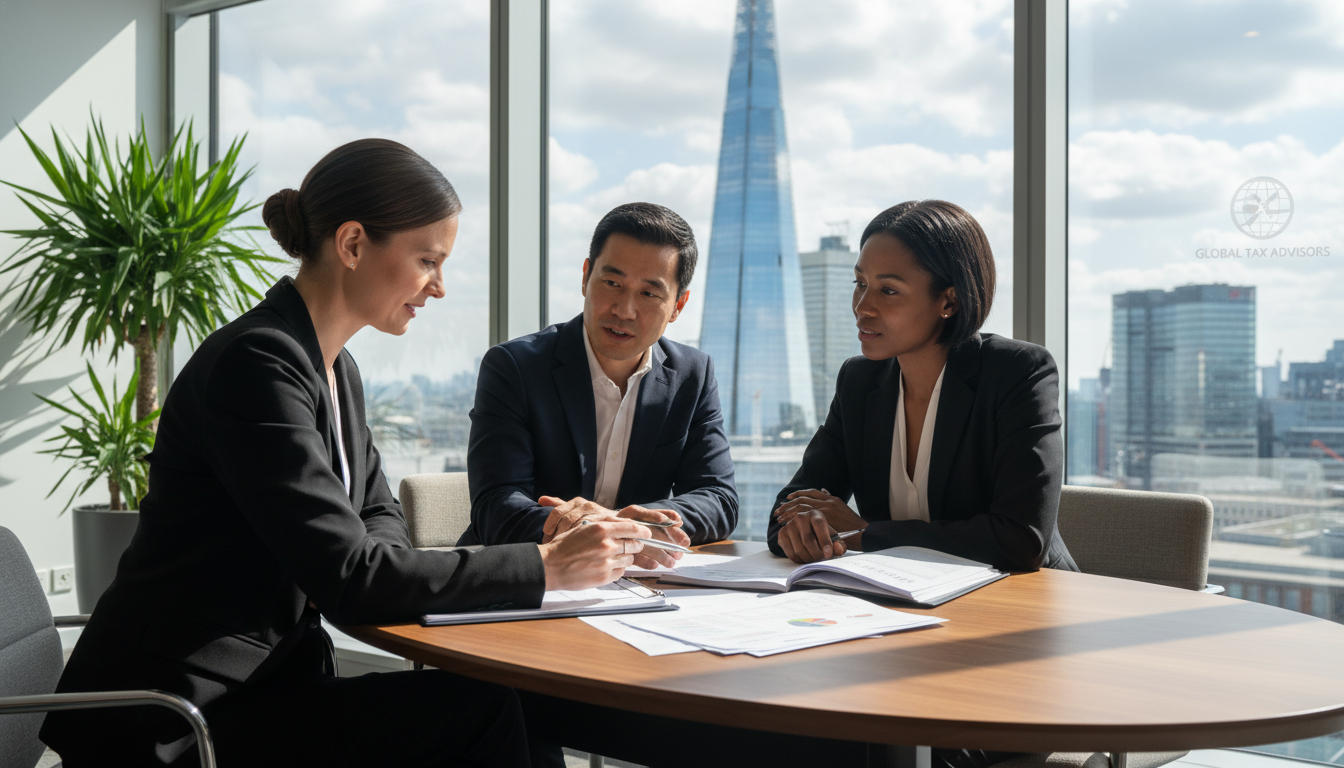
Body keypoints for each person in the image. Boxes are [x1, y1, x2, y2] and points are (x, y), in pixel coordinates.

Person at [40, 139, 654, 768]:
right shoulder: (257, 364)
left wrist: (371, 555)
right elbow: (352, 576)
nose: (439, 287)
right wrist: (548, 564)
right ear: (354, 244)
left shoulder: (335, 369)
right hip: (175, 716)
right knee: (484, 710)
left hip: (265, 685)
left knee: (497, 704)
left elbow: (377, 515)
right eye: (427, 260)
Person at [769, 200, 1077, 573]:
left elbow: (1020, 541)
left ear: (949, 300)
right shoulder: (859, 381)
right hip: (900, 598)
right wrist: (801, 529)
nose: (862, 307)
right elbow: (789, 510)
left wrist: (867, 533)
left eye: (889, 291)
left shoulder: (1017, 372)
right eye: (860, 284)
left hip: (1024, 604)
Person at [459, 202, 738, 569]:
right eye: (612, 283)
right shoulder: (516, 367)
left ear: (677, 306)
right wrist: (598, 530)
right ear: (586, 277)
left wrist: (623, 524)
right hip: (529, 577)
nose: (624, 309)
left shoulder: (692, 374)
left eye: (649, 293)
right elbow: (496, 506)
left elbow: (719, 498)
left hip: (638, 582)